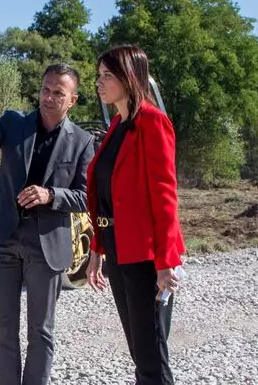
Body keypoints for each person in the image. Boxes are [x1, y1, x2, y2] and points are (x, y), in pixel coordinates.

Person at [0, 63, 96, 385]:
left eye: (58, 92)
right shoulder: (13, 123)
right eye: (45, 89)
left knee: (40, 331)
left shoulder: (83, 141)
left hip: (46, 246)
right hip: (3, 239)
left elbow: (87, 197)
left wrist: (51, 195)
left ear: (72, 100)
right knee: (3, 329)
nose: (48, 97)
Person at [85, 44, 186, 385]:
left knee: (151, 358)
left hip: (144, 255)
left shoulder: (153, 123)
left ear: (130, 77)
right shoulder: (117, 125)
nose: (99, 82)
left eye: (108, 75)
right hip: (117, 250)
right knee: (139, 352)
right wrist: (98, 249)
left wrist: (166, 260)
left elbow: (164, 197)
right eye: (99, 75)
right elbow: (106, 196)